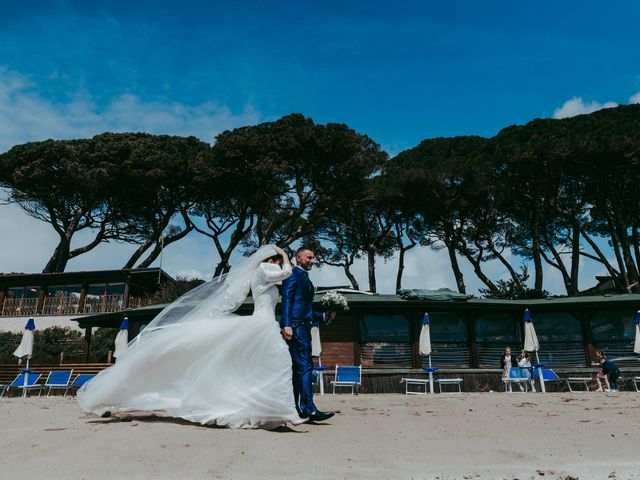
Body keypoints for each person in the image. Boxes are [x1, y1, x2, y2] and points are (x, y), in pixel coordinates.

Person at [77, 245, 306, 429]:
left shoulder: (267, 275)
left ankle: (274, 413)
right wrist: (286, 254)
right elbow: (287, 272)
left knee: (268, 366)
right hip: (261, 324)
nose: (281, 262)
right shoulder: (264, 270)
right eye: (278, 258)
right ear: (270, 260)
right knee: (279, 363)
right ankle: (286, 413)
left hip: (265, 324)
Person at [281, 247, 335, 422]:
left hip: (303, 326)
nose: (312, 261)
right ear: (298, 258)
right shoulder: (293, 274)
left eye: (313, 258)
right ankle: (308, 407)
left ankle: (297, 408)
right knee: (305, 367)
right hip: (296, 327)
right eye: (309, 257)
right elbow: (287, 300)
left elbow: (306, 307)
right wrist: (287, 324)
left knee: (298, 370)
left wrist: (325, 315)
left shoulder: (304, 276)